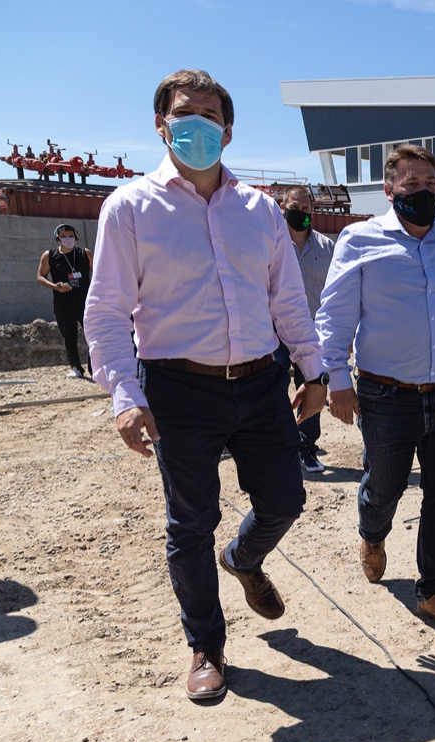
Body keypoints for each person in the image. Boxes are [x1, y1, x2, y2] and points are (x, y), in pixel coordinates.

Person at [84, 69, 328, 702]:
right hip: (178, 389)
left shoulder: (260, 212)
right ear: (162, 125)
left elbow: (289, 302)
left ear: (228, 128)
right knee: (191, 521)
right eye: (184, 114)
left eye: (210, 115)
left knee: (285, 501)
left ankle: (243, 559)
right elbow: (107, 312)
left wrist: (314, 371)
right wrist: (124, 397)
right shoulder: (131, 209)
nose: (198, 125)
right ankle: (206, 646)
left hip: (260, 381)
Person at [316, 144, 435, 631]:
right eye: (412, 184)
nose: (423, 192)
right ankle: (372, 533)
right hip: (384, 396)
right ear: (389, 189)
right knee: (384, 488)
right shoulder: (359, 241)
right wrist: (336, 380)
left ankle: (432, 590)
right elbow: (334, 319)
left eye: (431, 184)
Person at [277, 185, 336, 475]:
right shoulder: (270, 245)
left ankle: (306, 449)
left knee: (313, 389)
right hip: (274, 335)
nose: (299, 213)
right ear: (283, 206)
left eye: (304, 209)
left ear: (312, 211)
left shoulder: (327, 249)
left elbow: (336, 293)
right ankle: (273, 446)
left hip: (312, 336)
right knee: (271, 389)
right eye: (294, 207)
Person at [36, 223, 94, 378]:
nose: (68, 239)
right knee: (69, 336)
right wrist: (55, 286)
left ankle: (94, 366)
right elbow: (40, 277)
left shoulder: (85, 253)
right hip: (63, 303)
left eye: (70, 235)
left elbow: (99, 272)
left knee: (92, 334)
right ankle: (75, 367)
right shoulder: (50, 256)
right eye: (64, 236)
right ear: (58, 238)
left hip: (85, 301)